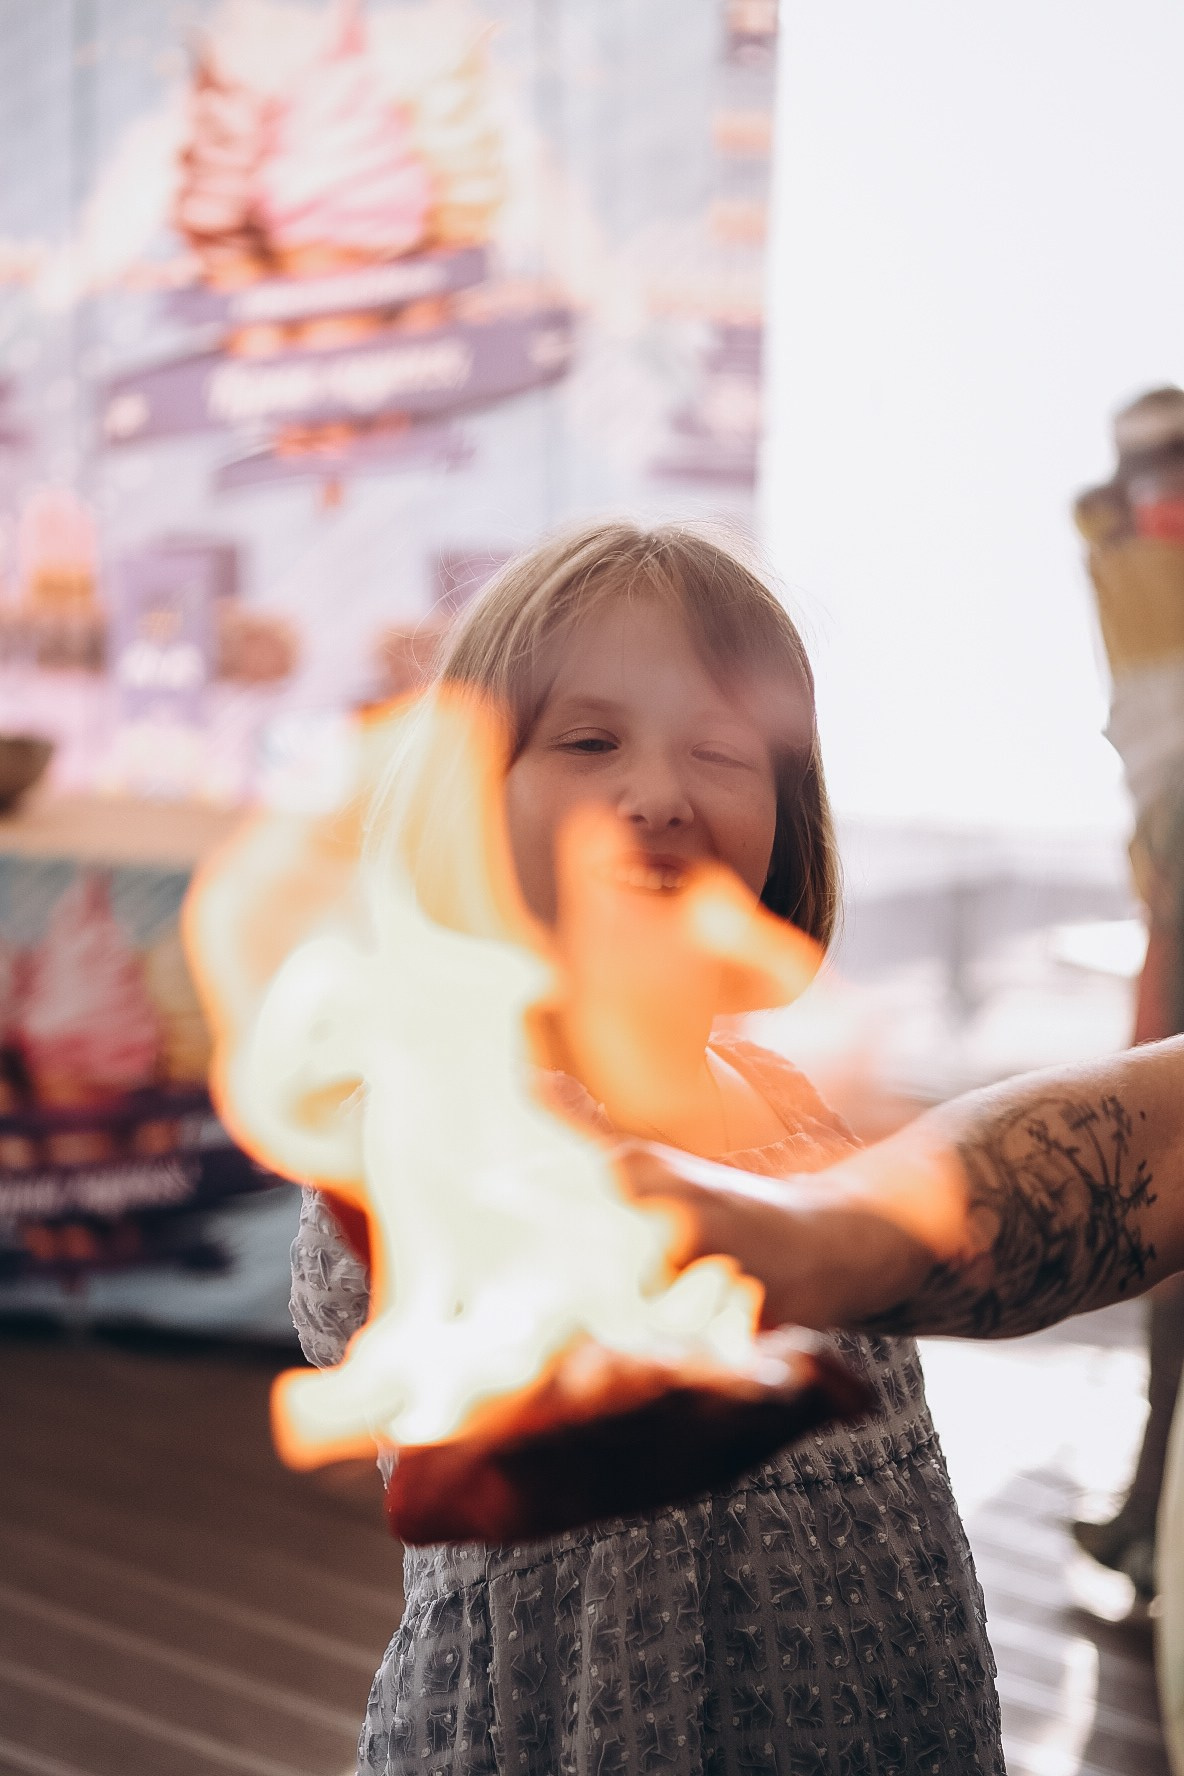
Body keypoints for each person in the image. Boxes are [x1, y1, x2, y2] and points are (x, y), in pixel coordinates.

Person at [289, 520, 1006, 1776]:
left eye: (719, 750)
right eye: (588, 742)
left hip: (875, 1707)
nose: (661, 793)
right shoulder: (456, 1110)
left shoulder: (795, 1104)